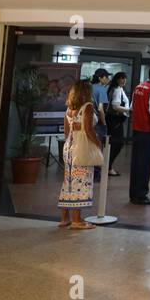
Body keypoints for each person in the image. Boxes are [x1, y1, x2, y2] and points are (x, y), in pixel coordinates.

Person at [58, 79, 101, 230]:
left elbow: (66, 132)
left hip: (69, 147)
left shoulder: (69, 109)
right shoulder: (87, 107)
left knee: (68, 182)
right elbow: (89, 130)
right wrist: (98, 144)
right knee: (80, 183)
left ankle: (64, 219)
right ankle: (77, 220)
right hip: (81, 149)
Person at [128, 65, 150, 205]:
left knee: (136, 163)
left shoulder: (138, 87)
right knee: (145, 164)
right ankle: (142, 195)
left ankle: (133, 193)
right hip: (147, 131)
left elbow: (132, 108)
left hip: (136, 130)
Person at [105, 71, 130, 175]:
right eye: (121, 78)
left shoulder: (118, 89)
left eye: (125, 78)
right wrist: (129, 110)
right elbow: (115, 106)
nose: (124, 80)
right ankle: (108, 166)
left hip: (114, 120)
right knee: (117, 143)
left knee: (115, 144)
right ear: (117, 79)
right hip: (115, 120)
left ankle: (108, 166)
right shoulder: (117, 90)